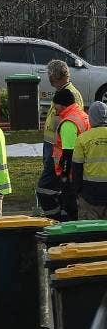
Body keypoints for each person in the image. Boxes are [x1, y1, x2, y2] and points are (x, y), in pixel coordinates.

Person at [38, 60, 84, 220]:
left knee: (47, 189)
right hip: (54, 149)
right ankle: (61, 217)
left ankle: (59, 220)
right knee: (57, 189)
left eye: (49, 75)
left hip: (60, 151)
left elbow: (71, 124)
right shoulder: (62, 91)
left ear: (54, 76)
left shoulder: (71, 94)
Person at [47, 88, 90, 221]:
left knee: (71, 207)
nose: (55, 109)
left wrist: (65, 176)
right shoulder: (81, 115)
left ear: (63, 104)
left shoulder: (68, 123)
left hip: (71, 174)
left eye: (56, 105)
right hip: (84, 169)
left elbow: (68, 153)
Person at [72, 102, 107, 220]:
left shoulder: (82, 139)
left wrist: (78, 191)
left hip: (90, 194)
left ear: (90, 117)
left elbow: (76, 168)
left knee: (89, 232)